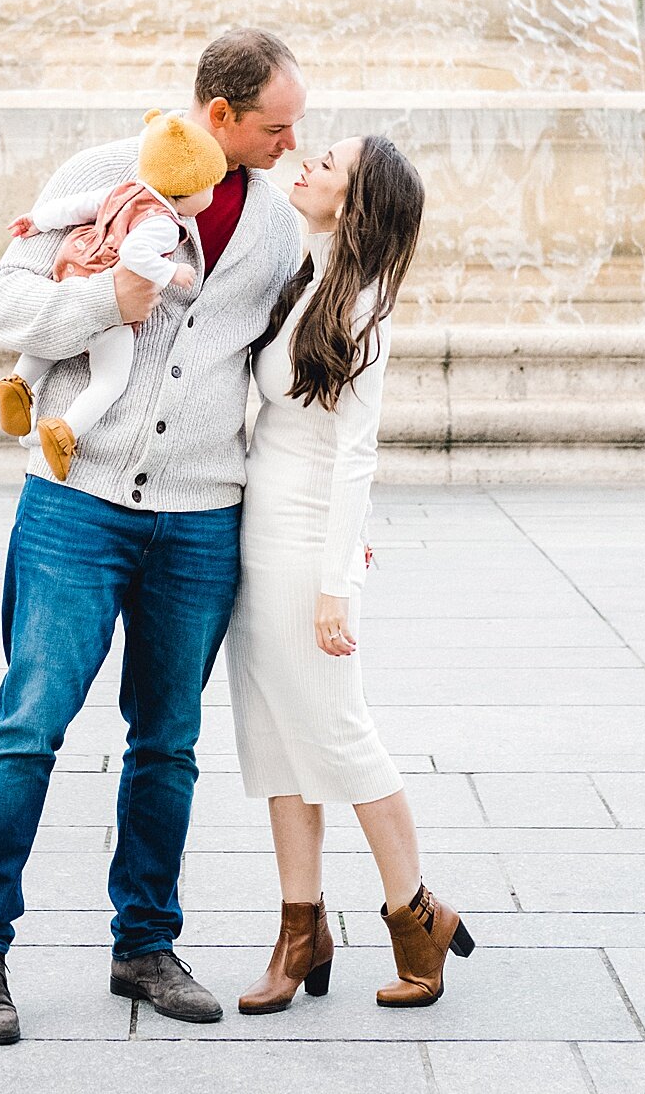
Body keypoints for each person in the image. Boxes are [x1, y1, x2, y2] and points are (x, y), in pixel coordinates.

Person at [0, 29, 305, 1046]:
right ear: (221, 113)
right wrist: (107, 296)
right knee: (29, 719)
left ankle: (144, 942)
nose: (291, 140)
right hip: (76, 502)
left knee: (169, 741)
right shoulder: (102, 173)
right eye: (277, 124)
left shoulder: (278, 225)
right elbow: (1, 299)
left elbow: (282, 369)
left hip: (199, 517)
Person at [228, 135, 480, 1012]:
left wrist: (338, 581)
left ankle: (418, 918)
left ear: (357, 198)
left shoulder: (363, 307)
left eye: (325, 162)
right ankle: (303, 932)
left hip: (306, 546)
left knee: (338, 733)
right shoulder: (309, 281)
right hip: (258, 536)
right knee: (274, 741)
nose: (305, 166)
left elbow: (356, 456)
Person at [0, 109, 229, 480]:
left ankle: (18, 381)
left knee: (61, 336)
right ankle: (65, 430)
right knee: (109, 381)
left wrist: (36, 221)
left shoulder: (125, 190)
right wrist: (172, 271)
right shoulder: (165, 224)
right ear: (189, 187)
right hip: (109, 294)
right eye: (210, 186)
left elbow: (78, 207)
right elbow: (136, 253)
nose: (213, 194)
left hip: (74, 266)